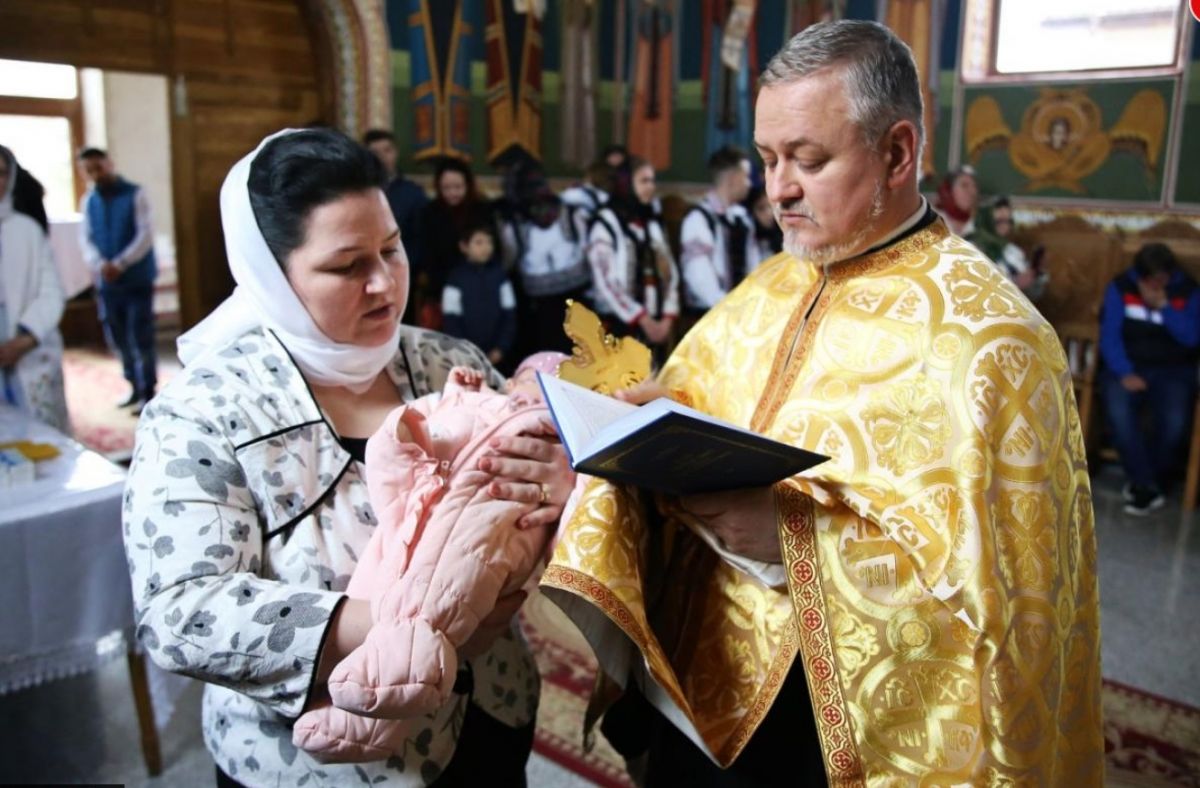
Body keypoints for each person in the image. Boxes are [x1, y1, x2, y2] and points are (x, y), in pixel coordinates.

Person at [549, 20, 1103, 786]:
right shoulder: (773, 282)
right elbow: (712, 395)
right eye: (767, 158)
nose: (778, 189)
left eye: (809, 160)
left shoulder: (995, 343)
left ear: (898, 153)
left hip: (837, 729)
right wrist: (655, 416)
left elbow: (1007, 613)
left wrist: (795, 539)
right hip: (699, 668)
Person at [123, 128, 575, 787]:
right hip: (318, 760)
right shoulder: (204, 410)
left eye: (391, 249)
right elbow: (180, 611)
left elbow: (527, 502)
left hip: (487, 712)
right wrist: (404, 626)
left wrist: (558, 486)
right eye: (346, 267)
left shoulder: (451, 362)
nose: (383, 283)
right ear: (272, 276)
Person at [294, 353, 568, 762]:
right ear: (512, 382)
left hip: (487, 513)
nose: (543, 393)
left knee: (438, 594)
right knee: (378, 582)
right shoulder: (478, 396)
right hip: (420, 506)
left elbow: (590, 516)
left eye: (563, 391)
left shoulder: (553, 433)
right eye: (535, 380)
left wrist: (572, 473)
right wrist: (460, 391)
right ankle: (351, 718)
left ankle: (371, 716)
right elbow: (438, 423)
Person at [1099, 242, 1200, 516]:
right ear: (1140, 276)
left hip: (1174, 369)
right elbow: (1109, 337)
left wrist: (1165, 307)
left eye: (1162, 279)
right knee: (1118, 410)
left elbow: (1192, 338)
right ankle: (1147, 483)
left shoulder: (1188, 290)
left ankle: (1145, 483)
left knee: (1175, 421)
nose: (1157, 284)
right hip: (1128, 366)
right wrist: (1124, 372)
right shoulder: (1120, 287)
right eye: (1152, 280)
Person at [77, 147, 158, 411]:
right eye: (89, 170)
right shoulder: (89, 201)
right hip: (108, 283)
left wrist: (121, 263)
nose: (95, 174)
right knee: (118, 337)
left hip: (136, 279)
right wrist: (100, 264)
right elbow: (86, 239)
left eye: (98, 167)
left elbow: (145, 234)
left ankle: (148, 391)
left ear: (109, 164)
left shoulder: (135, 193)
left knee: (140, 336)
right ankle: (133, 385)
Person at [0, 145, 68, 432]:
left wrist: (24, 340)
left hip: (25, 345)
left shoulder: (27, 230)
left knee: (36, 439)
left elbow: (51, 291)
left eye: (2, 173)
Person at [586, 157, 679, 359]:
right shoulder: (605, 224)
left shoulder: (651, 222)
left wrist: (667, 317)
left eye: (652, 181)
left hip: (655, 324)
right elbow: (605, 279)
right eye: (644, 181)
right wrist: (641, 318)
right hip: (619, 324)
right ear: (625, 184)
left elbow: (669, 270)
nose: (651, 187)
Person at [679, 145, 760, 317]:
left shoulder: (743, 219)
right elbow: (698, 276)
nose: (749, 184)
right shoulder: (698, 219)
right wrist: (729, 308)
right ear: (732, 179)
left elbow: (755, 267)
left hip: (743, 311)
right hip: (709, 314)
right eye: (746, 177)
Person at [417, 159, 493, 330]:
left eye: (458, 187)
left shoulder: (482, 210)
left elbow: (493, 251)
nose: (452, 193)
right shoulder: (430, 213)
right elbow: (427, 256)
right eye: (446, 188)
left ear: (468, 185)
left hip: (480, 288)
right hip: (443, 290)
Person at [441, 224, 517, 371]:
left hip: (498, 355)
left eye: (489, 242)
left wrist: (501, 348)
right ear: (464, 246)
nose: (486, 247)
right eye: (479, 242)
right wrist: (466, 351)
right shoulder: (455, 279)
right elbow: (451, 321)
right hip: (467, 357)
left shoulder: (500, 276)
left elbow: (510, 315)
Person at [363, 129, 428, 300]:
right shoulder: (356, 192)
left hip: (405, 275)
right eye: (375, 152)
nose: (382, 157)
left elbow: (421, 236)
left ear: (395, 153)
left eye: (387, 150)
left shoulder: (413, 193)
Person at [969, 196, 1047, 301]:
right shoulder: (969, 248)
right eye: (999, 221)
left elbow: (1034, 293)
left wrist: (1036, 275)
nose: (1005, 226)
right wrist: (1014, 286)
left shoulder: (1013, 251)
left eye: (1008, 221)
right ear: (986, 220)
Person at [934, 164, 978, 236]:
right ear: (948, 191)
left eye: (974, 186)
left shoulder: (980, 227)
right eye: (964, 185)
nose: (972, 192)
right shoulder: (930, 223)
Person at [745, 186, 783, 260]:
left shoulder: (784, 238)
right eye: (761, 208)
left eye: (770, 206)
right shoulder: (747, 239)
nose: (769, 213)